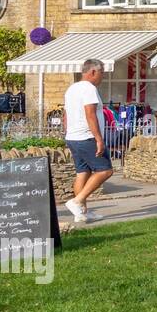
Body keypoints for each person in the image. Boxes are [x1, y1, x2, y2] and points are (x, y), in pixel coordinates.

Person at [62, 59, 113, 223]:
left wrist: (67, 132)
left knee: (82, 173)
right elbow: (90, 114)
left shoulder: (72, 88)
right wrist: (99, 139)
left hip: (73, 137)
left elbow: (66, 115)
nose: (102, 77)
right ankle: (76, 201)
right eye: (102, 73)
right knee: (105, 170)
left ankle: (81, 213)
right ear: (93, 72)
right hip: (86, 136)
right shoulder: (89, 88)